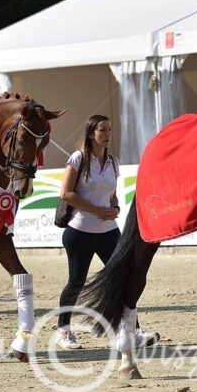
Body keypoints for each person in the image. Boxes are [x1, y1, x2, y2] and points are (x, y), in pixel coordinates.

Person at [55, 114, 122, 349]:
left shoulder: (113, 161)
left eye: (110, 130)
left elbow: (111, 192)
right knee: (76, 281)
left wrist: (114, 207)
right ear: (91, 133)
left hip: (109, 230)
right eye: (102, 130)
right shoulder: (78, 159)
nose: (107, 135)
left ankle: (131, 328)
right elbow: (66, 194)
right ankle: (63, 330)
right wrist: (97, 210)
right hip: (81, 231)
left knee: (123, 276)